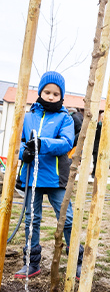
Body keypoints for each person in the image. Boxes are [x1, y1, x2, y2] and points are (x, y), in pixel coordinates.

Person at [14, 71, 84, 280]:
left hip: (55, 177)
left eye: (56, 93)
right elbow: (17, 143)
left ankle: (75, 260)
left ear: (61, 96)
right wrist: (23, 152)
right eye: (47, 92)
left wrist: (42, 143)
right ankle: (31, 263)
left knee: (67, 218)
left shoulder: (65, 118)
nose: (51, 96)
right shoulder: (28, 117)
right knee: (31, 219)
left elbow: (66, 143)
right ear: (40, 92)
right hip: (31, 177)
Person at [91, 111, 103, 178]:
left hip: (103, 147)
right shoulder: (97, 126)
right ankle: (94, 173)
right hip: (96, 146)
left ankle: (99, 173)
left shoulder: (108, 127)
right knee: (95, 161)